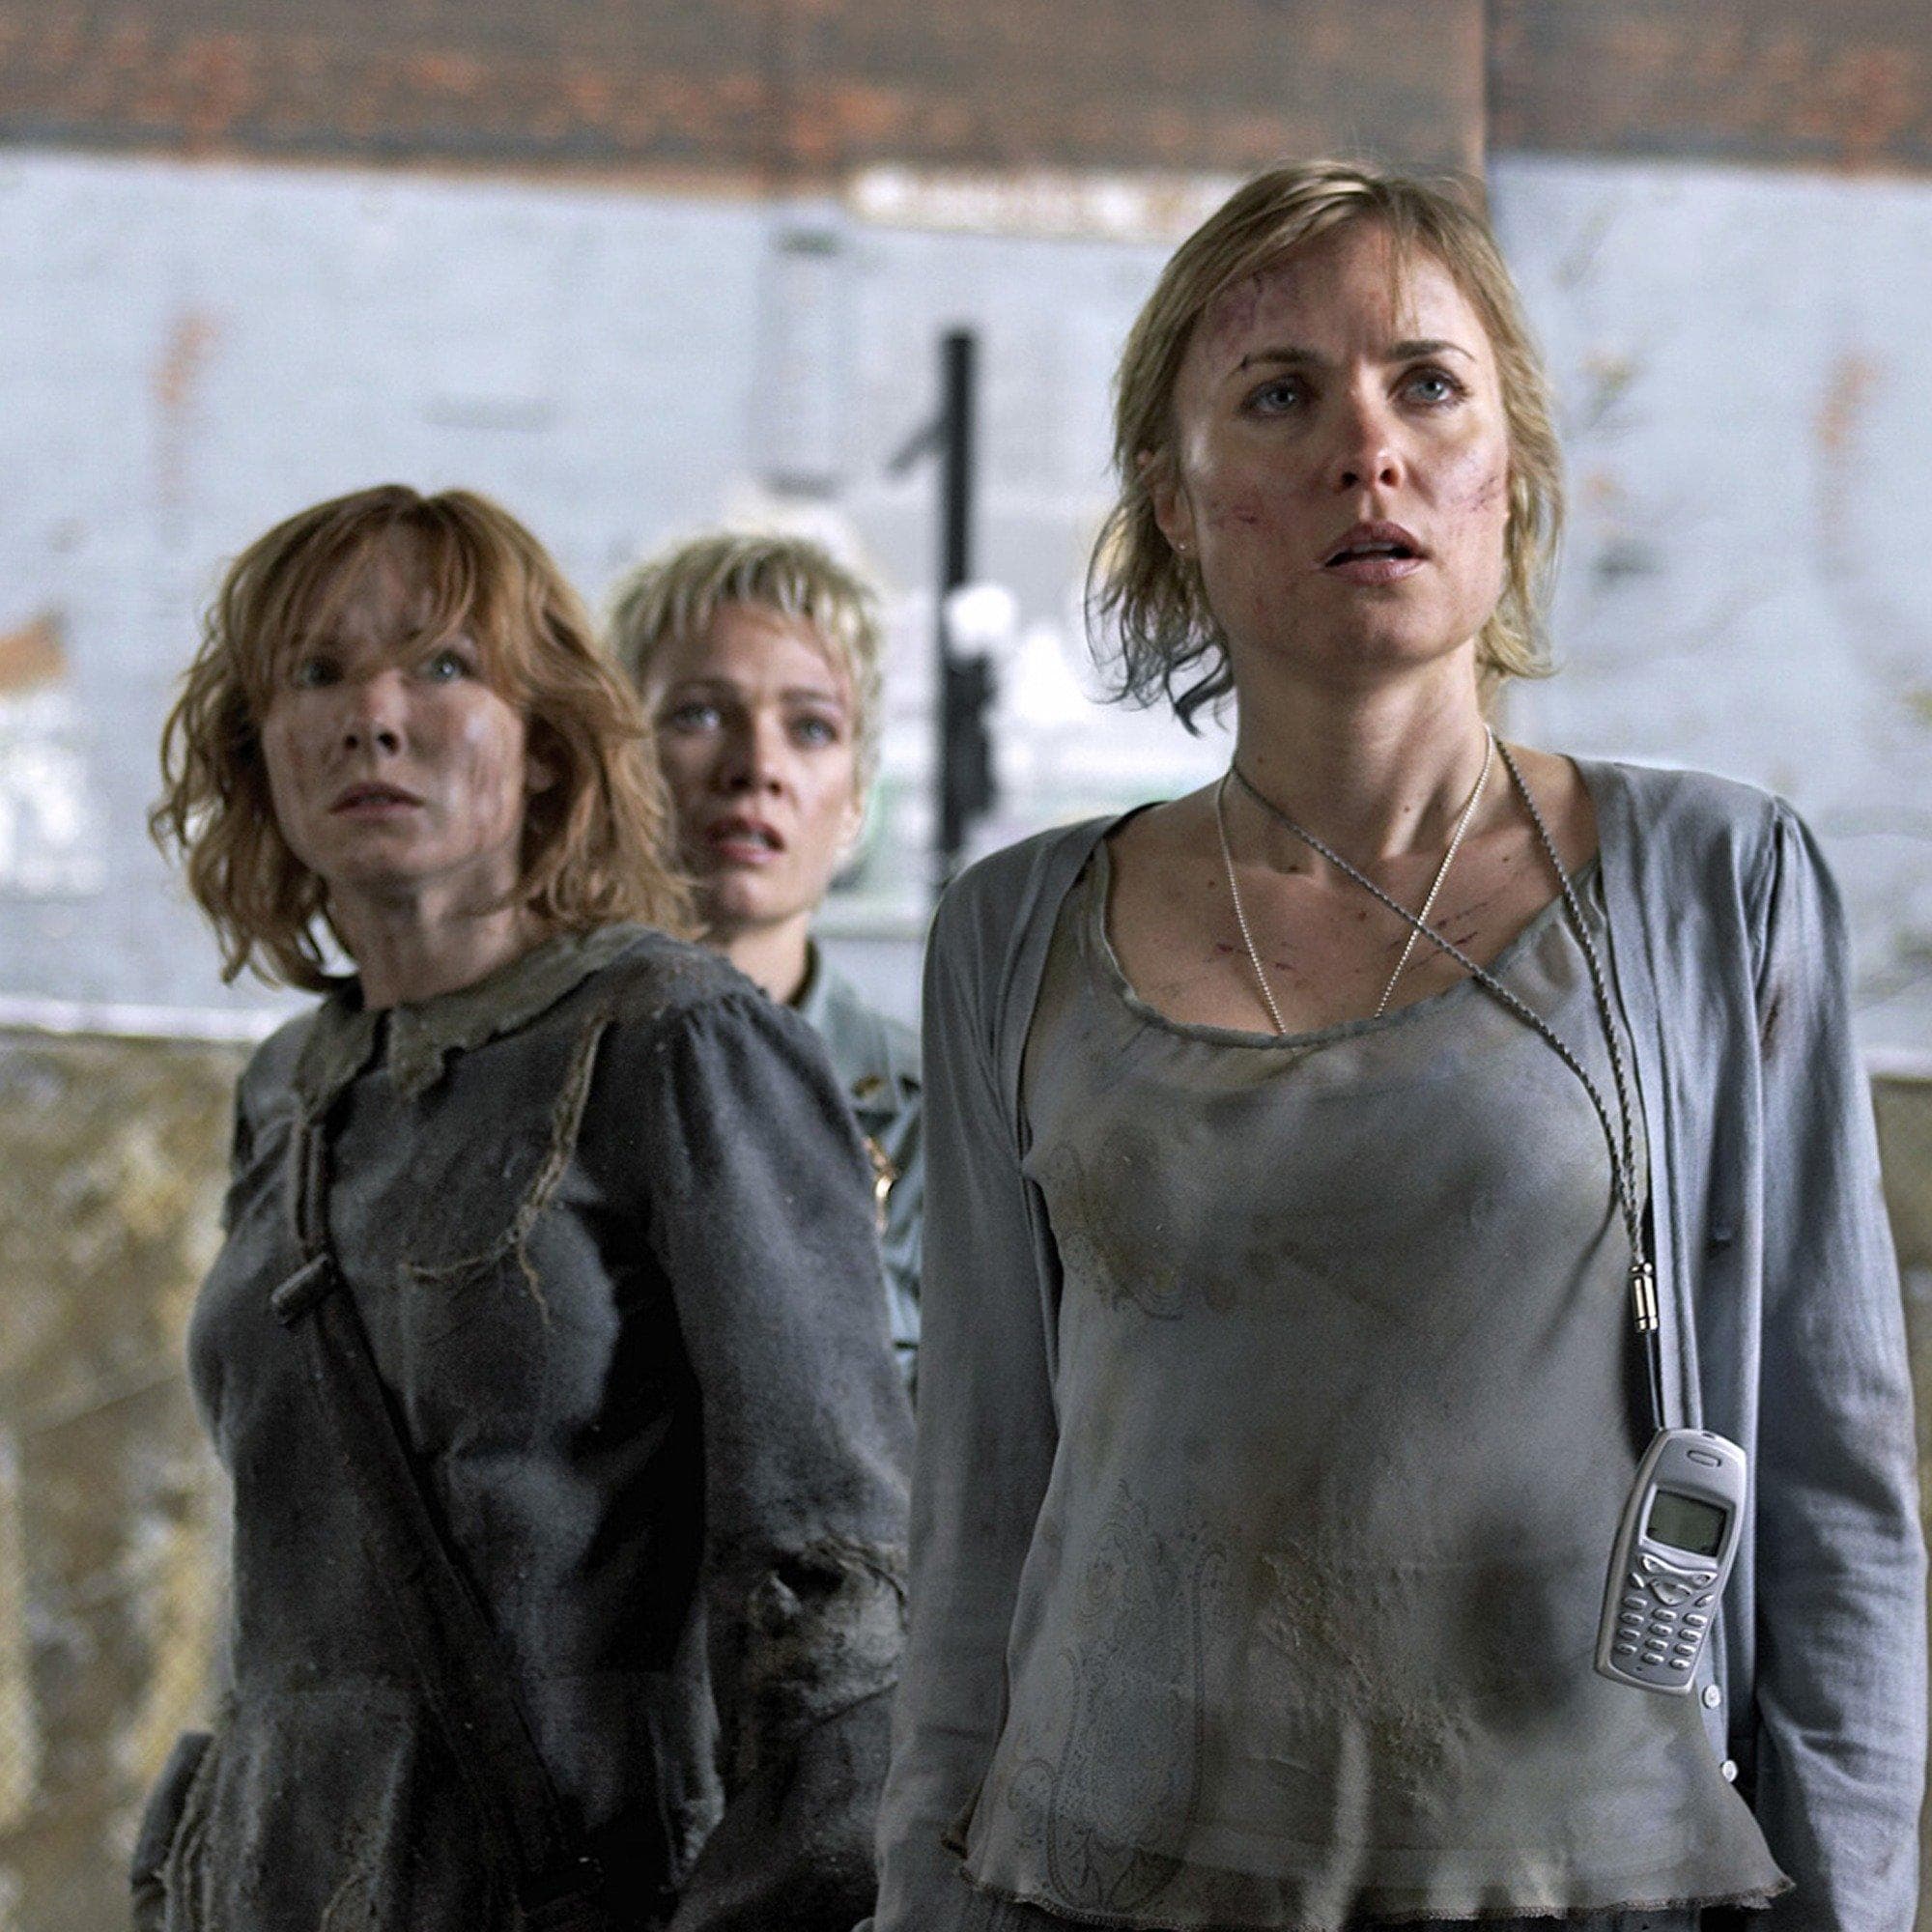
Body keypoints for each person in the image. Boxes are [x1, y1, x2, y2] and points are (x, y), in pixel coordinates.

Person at [873, 162, 1924, 1932]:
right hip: (1103, 1883)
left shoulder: (1713, 887)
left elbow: (1836, 1498)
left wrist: (1855, 1906)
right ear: (1174, 498)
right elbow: (979, 1500)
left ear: (1510, 464)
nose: (1369, 448)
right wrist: (923, 1889)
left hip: (1584, 1883)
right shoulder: (1016, 930)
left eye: (1427, 384)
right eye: (1280, 395)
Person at [136, 484, 912, 1931]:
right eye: (317, 672)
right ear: (259, 748)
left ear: (544, 741)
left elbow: (834, 1583)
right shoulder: (293, 1084)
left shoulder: (677, 1038)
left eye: (442, 665)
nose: (374, 717)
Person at [608, 532, 923, 1389]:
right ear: (616, 761)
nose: (757, 769)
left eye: (811, 728)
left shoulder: (941, 1117)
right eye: (699, 715)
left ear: (856, 801)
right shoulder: (524, 1078)